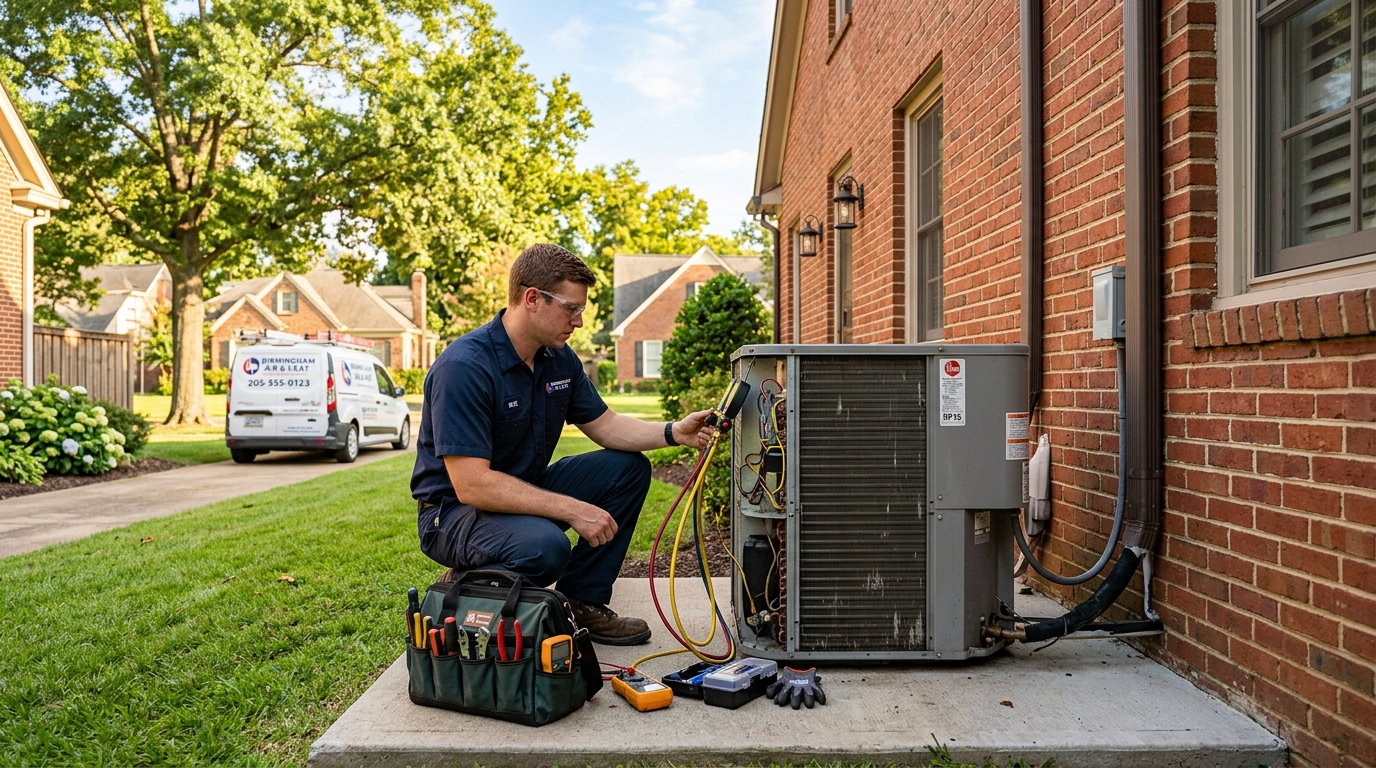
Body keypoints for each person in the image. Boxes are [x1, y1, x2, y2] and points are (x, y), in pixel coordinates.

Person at [411, 243, 713, 645]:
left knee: (628, 469)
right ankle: (471, 580)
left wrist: (674, 432)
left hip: (521, 495)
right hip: (452, 514)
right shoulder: (464, 367)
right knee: (547, 548)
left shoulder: (558, 358)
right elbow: (473, 485)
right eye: (571, 309)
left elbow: (606, 425)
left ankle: (580, 602)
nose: (580, 321)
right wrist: (574, 511)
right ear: (531, 299)